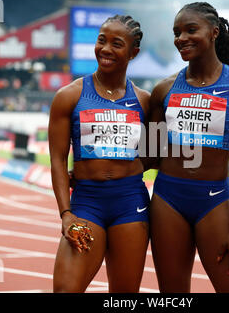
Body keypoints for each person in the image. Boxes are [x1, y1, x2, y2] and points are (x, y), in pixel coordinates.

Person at [148, 2, 229, 293]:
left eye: (190, 30)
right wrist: (93, 173)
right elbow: (149, 155)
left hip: (214, 201)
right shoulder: (163, 90)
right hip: (167, 200)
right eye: (176, 33)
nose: (181, 38)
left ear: (214, 33)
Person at [48, 15, 151, 293]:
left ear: (133, 52)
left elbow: (158, 154)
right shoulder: (69, 96)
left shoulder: (144, 100)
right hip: (86, 205)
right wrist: (66, 214)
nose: (105, 49)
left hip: (130, 205)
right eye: (101, 40)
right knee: (66, 288)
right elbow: (57, 159)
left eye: (117, 44)